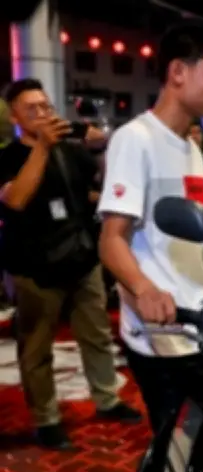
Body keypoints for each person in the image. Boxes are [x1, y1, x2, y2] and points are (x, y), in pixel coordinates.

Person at [97, 23, 203, 433]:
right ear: (178, 72)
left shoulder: (192, 149)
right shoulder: (135, 139)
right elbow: (111, 239)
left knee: (192, 439)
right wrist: (144, 289)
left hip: (198, 324)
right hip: (160, 329)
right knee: (175, 442)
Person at [0, 79, 141, 450]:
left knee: (96, 334)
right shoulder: (8, 158)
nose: (43, 114)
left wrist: (105, 151)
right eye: (32, 109)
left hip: (81, 259)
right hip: (33, 268)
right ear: (15, 117)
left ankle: (107, 399)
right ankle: (46, 419)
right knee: (37, 347)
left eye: (46, 106)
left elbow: (95, 190)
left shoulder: (70, 151)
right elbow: (16, 199)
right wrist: (42, 148)